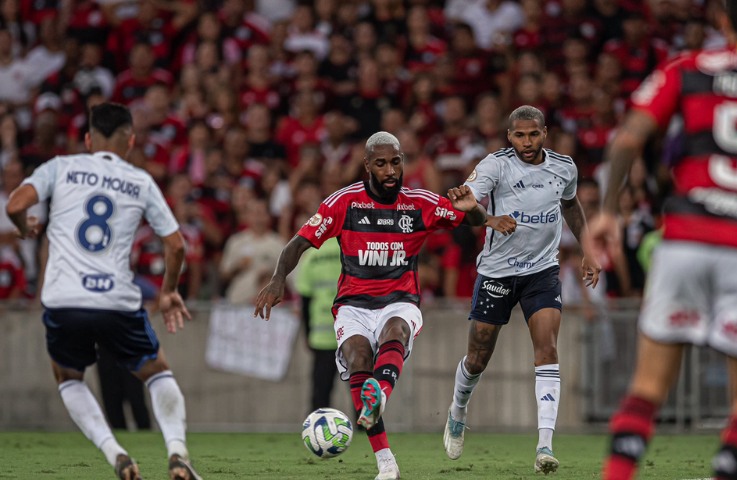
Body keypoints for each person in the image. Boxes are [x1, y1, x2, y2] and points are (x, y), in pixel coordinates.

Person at [584, 3, 737, 479]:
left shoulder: (689, 67)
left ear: (723, 22)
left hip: (683, 241)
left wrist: (604, 214)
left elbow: (626, 140)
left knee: (646, 390)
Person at [254, 131, 488, 480]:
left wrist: (474, 209)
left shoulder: (418, 202)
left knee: (396, 331)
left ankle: (378, 393)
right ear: (367, 166)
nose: (390, 170)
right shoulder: (343, 203)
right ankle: (386, 463)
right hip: (353, 305)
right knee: (358, 357)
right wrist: (277, 278)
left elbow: (473, 218)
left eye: (396, 162)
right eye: (381, 163)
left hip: (400, 299)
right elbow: (297, 244)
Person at [6, 103, 202, 480]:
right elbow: (176, 245)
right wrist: (168, 292)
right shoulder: (140, 181)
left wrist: (23, 225)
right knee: (157, 371)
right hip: (116, 299)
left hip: (64, 300)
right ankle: (177, 454)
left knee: (68, 377)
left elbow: (16, 203)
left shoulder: (59, 167)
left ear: (87, 139)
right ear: (130, 141)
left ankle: (116, 454)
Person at [442, 105, 601, 474]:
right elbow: (470, 204)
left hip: (542, 272)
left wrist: (588, 249)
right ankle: (458, 409)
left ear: (545, 133)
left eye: (533, 134)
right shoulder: (495, 165)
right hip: (497, 274)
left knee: (547, 348)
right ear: (509, 136)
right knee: (478, 358)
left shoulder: (564, 167)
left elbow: (571, 205)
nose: (527, 142)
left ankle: (544, 446)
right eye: (519, 135)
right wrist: (484, 216)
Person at [294, 236, 341, 412]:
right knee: (360, 390)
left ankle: (317, 430)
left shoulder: (312, 255)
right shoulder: (353, 249)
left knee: (321, 392)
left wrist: (307, 334)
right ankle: (368, 432)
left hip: (322, 334)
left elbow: (305, 299)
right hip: (354, 332)